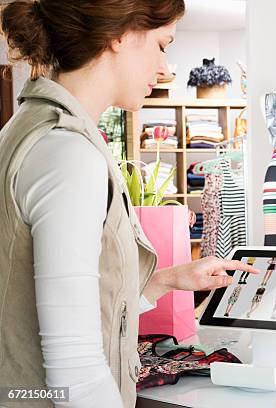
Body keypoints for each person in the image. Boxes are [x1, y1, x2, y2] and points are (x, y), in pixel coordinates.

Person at [0, 1, 258, 407]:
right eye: (161, 45)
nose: (165, 69)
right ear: (120, 35)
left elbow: (70, 309)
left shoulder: (29, 131)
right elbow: (76, 372)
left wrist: (167, 280)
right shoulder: (68, 153)